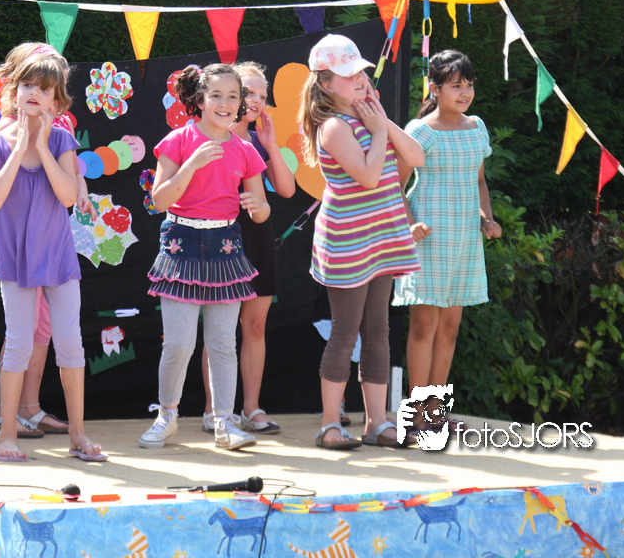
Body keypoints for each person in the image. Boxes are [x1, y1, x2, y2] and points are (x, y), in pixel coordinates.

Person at [0, 55, 105, 462]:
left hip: (58, 256)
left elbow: (68, 196)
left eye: (45, 89)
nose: (35, 93)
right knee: (18, 343)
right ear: (13, 91)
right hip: (15, 258)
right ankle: (7, 434)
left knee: (70, 344)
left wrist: (43, 146)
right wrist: (21, 145)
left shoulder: (62, 140)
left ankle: (78, 435)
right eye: (28, 85)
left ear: (56, 102)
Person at [299, 34, 424, 449]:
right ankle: (329, 425)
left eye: (361, 72)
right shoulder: (334, 126)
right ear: (326, 84)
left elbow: (416, 157)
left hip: (383, 236)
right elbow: (369, 177)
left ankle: (377, 423)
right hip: (348, 242)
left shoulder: (371, 118)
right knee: (345, 331)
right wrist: (376, 129)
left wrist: (382, 122)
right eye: (348, 74)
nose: (359, 79)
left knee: (377, 332)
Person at [140, 64, 270, 451]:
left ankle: (225, 422)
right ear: (200, 100)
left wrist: (257, 207)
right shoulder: (178, 140)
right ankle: (167, 417)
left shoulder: (245, 149)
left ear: (241, 103)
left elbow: (262, 209)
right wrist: (193, 164)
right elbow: (159, 200)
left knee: (222, 344)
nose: (225, 103)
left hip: (225, 248)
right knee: (179, 344)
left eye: (233, 96)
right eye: (216, 95)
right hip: (180, 244)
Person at [392, 49, 501, 433]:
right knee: (424, 326)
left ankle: (436, 413)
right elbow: (395, 185)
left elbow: (479, 180)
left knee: (451, 326)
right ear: (435, 89)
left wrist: (487, 219)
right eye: (456, 85)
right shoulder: (420, 131)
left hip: (465, 241)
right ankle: (417, 415)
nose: (465, 92)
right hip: (429, 240)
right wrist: (411, 225)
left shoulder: (477, 127)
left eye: (469, 85)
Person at [200, 62, 295, 435]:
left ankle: (251, 408)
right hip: (217, 238)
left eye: (262, 95)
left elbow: (286, 189)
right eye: (249, 92)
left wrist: (270, 144)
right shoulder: (209, 137)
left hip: (257, 238)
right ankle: (214, 410)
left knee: (255, 325)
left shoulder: (258, 142)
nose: (256, 100)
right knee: (219, 330)